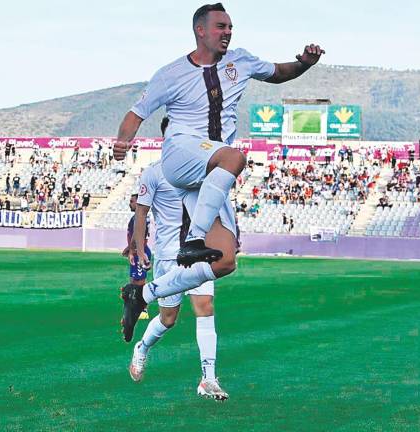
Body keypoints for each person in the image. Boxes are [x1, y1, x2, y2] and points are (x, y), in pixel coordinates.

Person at [114, 3, 323, 341]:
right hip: (181, 154)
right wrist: (123, 142)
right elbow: (136, 113)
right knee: (234, 157)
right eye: (221, 26)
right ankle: (193, 240)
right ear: (200, 31)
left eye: (230, 27)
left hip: (210, 169)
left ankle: (142, 294)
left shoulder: (240, 61)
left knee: (225, 260)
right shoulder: (170, 74)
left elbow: (278, 72)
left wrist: (304, 64)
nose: (228, 32)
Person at [129, 131, 227, 399]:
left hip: (198, 253)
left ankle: (208, 378)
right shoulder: (153, 172)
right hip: (169, 256)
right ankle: (142, 347)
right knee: (168, 319)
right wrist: (139, 248)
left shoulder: (203, 169)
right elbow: (141, 213)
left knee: (205, 307)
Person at [123, 193, 151, 320]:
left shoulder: (139, 218)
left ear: (138, 202)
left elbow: (140, 236)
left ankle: (143, 309)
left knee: (140, 282)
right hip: (137, 251)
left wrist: (132, 251)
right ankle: (137, 307)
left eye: (131, 201)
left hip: (139, 252)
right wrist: (129, 248)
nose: (130, 204)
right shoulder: (137, 217)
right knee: (135, 281)